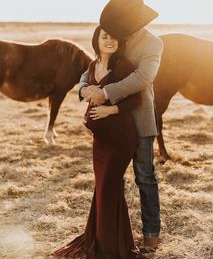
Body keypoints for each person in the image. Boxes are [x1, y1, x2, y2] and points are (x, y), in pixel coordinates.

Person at [53, 26, 146, 258]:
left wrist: (109, 111)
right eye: (105, 36)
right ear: (97, 40)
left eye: (114, 37)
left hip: (120, 139)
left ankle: (110, 247)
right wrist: (85, 92)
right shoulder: (93, 66)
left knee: (108, 188)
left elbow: (138, 98)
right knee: (104, 189)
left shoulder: (123, 65)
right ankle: (108, 239)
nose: (109, 40)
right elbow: (83, 89)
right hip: (100, 140)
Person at [79, 0, 163, 251]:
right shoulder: (118, 38)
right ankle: (114, 236)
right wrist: (84, 89)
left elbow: (142, 77)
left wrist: (105, 93)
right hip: (113, 126)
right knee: (112, 180)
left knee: (145, 176)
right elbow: (93, 67)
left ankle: (151, 235)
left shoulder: (153, 43)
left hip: (140, 119)